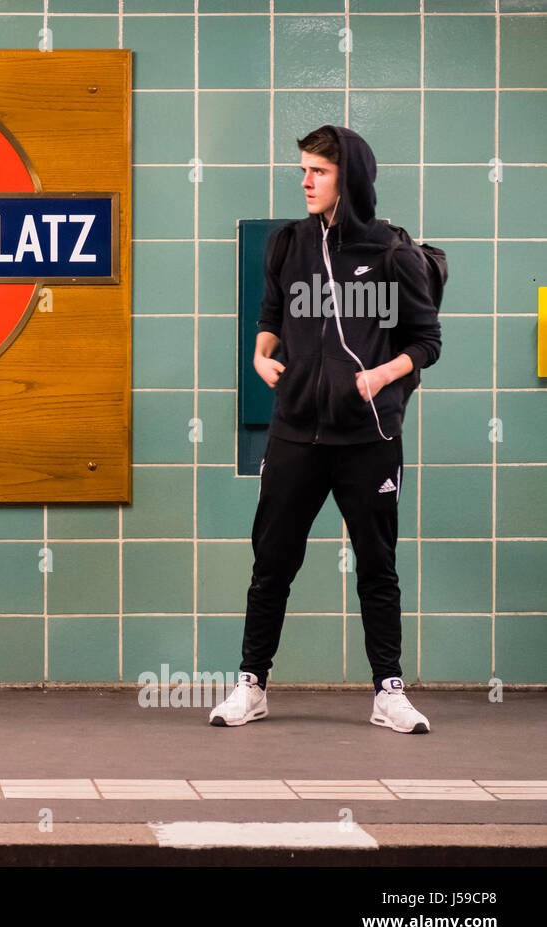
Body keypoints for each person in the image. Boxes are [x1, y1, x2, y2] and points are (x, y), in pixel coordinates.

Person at [210, 125, 442, 733]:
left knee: (377, 566)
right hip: (295, 433)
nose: (306, 182)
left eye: (319, 171)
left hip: (368, 438)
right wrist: (262, 357)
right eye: (304, 170)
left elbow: (426, 343)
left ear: (351, 179)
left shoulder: (393, 254)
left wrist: (381, 376)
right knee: (272, 563)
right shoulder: (289, 244)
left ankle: (389, 693)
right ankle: (251, 685)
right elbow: (270, 318)